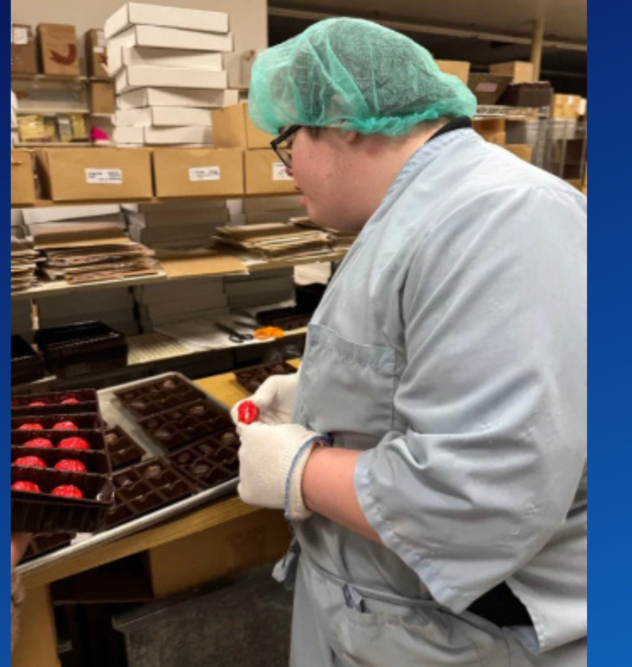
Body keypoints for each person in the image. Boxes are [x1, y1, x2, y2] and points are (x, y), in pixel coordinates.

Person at [231, 17, 587, 667]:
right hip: (389, 607)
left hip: (470, 629)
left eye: (287, 141)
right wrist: (321, 391)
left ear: (342, 120)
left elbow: (479, 495)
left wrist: (300, 469)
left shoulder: (499, 217)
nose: (287, 168)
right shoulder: (426, 208)